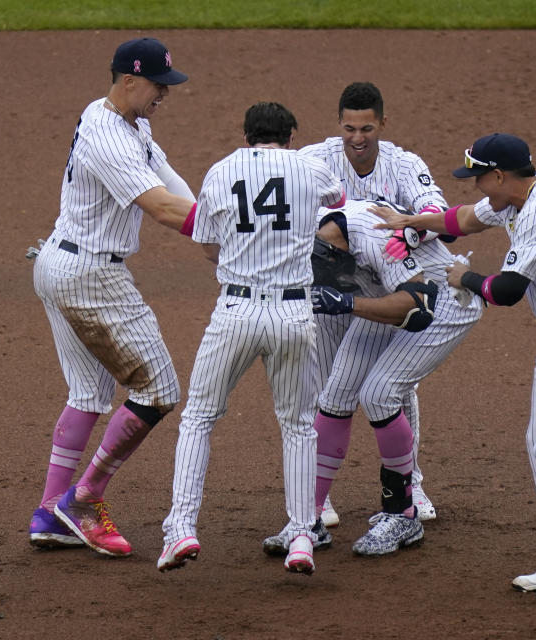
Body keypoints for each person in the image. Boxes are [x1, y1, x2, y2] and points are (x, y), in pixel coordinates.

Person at [374, 133, 536, 602]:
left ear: (500, 175)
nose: (477, 187)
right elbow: (465, 219)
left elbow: (508, 290)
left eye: (479, 177)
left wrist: (464, 278)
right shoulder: (517, 196)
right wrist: (411, 220)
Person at [156, 102, 346, 575]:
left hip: (236, 310)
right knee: (298, 424)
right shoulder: (310, 166)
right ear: (290, 135)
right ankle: (302, 533)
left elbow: (205, 243)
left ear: (247, 135)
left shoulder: (222, 169)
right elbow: (338, 204)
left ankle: (181, 528)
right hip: (293, 313)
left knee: (199, 416)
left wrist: (243, 252)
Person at [26, 37, 198, 557]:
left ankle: (50, 511)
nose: (163, 96)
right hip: (90, 277)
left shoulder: (127, 121)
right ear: (128, 81)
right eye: (156, 86)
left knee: (88, 394)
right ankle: (82, 500)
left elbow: (178, 190)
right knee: (159, 390)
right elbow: (163, 209)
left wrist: (219, 230)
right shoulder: (110, 138)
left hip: (61, 264)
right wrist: (238, 234)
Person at [263, 199, 483, 557]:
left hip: (441, 302)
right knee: (335, 397)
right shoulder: (307, 227)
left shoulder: (377, 238)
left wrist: (347, 303)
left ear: (333, 253)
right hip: (384, 295)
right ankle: (309, 520)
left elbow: (416, 311)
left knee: (380, 393)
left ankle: (403, 515)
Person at [298, 81, 449, 526]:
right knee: (324, 387)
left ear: (382, 123)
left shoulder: (403, 164)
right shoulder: (315, 159)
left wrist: (408, 230)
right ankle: (317, 496)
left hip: (387, 289)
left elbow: (436, 212)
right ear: (338, 124)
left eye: (366, 128)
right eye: (349, 128)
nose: (357, 138)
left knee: (397, 388)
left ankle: (411, 480)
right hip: (329, 285)